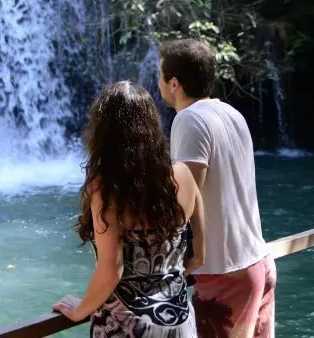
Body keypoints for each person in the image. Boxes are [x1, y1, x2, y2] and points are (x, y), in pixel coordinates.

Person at [53, 81, 205, 338]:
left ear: (103, 133)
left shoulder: (107, 188)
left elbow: (112, 271)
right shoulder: (184, 175)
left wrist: (79, 310)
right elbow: (199, 257)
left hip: (128, 327)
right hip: (180, 322)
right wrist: (161, 288)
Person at [158, 39, 277, 338]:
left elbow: (184, 204)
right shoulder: (232, 114)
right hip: (259, 263)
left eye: (160, 76)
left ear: (174, 83)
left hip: (227, 275)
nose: (158, 84)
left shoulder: (188, 119)